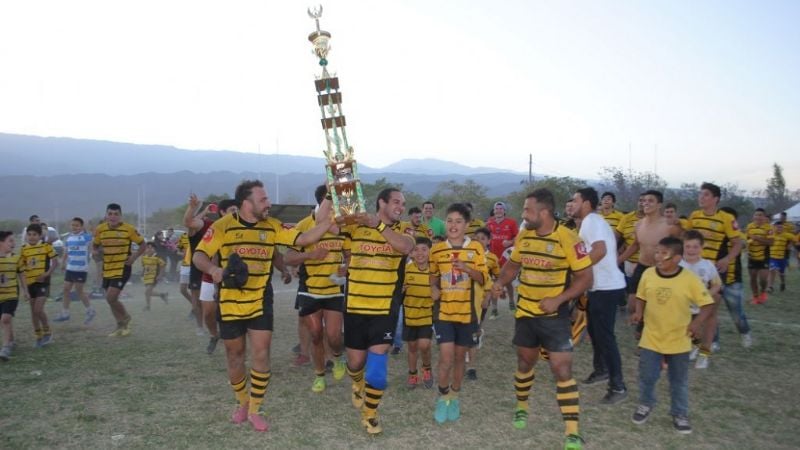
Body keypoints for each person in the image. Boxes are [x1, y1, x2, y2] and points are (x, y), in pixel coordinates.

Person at [193, 180, 334, 433]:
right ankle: (242, 402)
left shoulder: (272, 226)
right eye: (263, 199)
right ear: (246, 203)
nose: (268, 203)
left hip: (260, 301)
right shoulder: (222, 226)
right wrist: (213, 269)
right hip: (230, 302)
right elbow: (199, 255)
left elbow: (304, 238)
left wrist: (330, 221)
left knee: (261, 353)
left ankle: (256, 408)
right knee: (235, 356)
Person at [492, 189, 592, 450]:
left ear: (544, 212)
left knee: (562, 369)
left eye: (527, 209)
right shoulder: (524, 235)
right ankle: (522, 407)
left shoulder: (568, 238)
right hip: (525, 313)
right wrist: (499, 282)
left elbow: (586, 278)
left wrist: (559, 299)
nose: (523, 214)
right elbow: (512, 266)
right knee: (525, 363)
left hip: (554, 317)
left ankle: (572, 432)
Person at [341, 187, 415, 435]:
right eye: (396, 202)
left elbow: (405, 247)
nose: (401, 207)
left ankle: (370, 414)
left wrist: (379, 226)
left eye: (402, 203)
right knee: (355, 363)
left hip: (385, 308)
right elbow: (329, 225)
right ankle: (357, 383)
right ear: (381, 202)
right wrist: (336, 195)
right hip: (355, 306)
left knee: (377, 367)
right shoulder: (356, 226)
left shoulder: (404, 229)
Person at [629, 236, 714, 434]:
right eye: (657, 252)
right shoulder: (648, 274)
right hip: (651, 337)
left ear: (676, 258)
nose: (658, 257)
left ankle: (679, 413)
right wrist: (638, 312)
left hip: (679, 339)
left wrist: (696, 323)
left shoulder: (689, 279)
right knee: (647, 375)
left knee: (678, 380)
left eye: (664, 253)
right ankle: (645, 404)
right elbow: (641, 296)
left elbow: (707, 304)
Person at [283, 185, 347, 393]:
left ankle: (337, 357)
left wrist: (346, 267)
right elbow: (288, 257)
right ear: (324, 201)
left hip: (334, 289)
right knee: (316, 334)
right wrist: (309, 255)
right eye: (335, 201)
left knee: (334, 336)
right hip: (309, 289)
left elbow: (350, 254)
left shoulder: (342, 225)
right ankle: (319, 375)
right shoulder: (304, 225)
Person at [430, 203, 488, 424]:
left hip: (467, 314)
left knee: (459, 358)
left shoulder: (476, 248)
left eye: (458, 221)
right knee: (445, 358)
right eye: (449, 221)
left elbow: (483, 278)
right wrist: (433, 287)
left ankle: (454, 396)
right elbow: (433, 276)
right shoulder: (437, 250)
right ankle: (443, 395)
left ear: (467, 225)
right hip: (444, 313)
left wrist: (467, 269)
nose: (453, 225)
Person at [571, 188, 628, 404]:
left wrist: (578, 269)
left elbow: (600, 250)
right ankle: (602, 369)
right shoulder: (591, 221)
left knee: (605, 337)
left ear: (586, 203)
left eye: (575, 200)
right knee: (595, 332)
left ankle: (618, 386)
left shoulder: (591, 221)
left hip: (607, 287)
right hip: (599, 287)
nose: (572, 204)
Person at [688, 183, 750, 348]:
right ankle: (696, 342)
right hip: (694, 270)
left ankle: (711, 342)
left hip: (714, 271)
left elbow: (738, 243)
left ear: (716, 199)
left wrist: (727, 259)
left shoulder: (726, 218)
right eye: (700, 194)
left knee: (710, 309)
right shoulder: (694, 216)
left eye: (706, 194)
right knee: (693, 309)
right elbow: (686, 238)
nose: (701, 197)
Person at [92, 203, 146, 337]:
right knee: (110, 300)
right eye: (110, 214)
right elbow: (95, 246)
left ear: (120, 216)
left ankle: (126, 317)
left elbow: (143, 245)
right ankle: (120, 326)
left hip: (123, 268)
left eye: (116, 214)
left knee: (111, 297)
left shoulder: (129, 229)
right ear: (106, 215)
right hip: (107, 268)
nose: (113, 217)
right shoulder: (100, 229)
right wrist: (95, 252)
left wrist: (133, 257)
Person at [197, 199, 238, 354]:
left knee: (234, 314)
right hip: (211, 276)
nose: (236, 213)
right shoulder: (214, 228)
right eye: (233, 210)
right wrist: (216, 285)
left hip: (233, 278)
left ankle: (236, 342)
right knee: (208, 314)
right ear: (222, 212)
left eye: (238, 210)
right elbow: (213, 256)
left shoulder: (243, 228)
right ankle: (214, 335)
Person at [680, 230, 722, 369]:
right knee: (690, 331)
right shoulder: (677, 264)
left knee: (706, 327)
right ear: (682, 246)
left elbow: (717, 284)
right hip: (682, 306)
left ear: (702, 247)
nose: (691, 250)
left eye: (695, 246)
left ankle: (704, 354)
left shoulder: (707, 265)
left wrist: (706, 295)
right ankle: (695, 345)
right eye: (688, 246)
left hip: (702, 305)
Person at [402, 236, 434, 389]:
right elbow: (398, 292)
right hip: (410, 316)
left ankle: (427, 369)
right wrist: (401, 290)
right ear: (411, 253)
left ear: (430, 252)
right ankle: (412, 374)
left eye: (424, 249)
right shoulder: (406, 270)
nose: (420, 253)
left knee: (424, 346)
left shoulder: (434, 272)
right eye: (416, 250)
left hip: (427, 315)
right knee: (412, 347)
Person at [20, 224, 59, 347]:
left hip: (43, 283)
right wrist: (25, 290)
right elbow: (21, 270)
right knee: (33, 312)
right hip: (30, 283)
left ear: (40, 235)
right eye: (29, 234)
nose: (31, 237)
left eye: (34, 234)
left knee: (38, 309)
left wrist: (46, 274)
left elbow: (55, 262)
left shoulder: (46, 246)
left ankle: (47, 332)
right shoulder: (23, 249)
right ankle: (38, 336)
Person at [183, 195, 217, 336]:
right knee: (196, 301)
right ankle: (199, 327)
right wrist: (200, 210)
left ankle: (215, 327)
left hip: (212, 268)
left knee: (214, 301)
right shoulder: (194, 233)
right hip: (197, 268)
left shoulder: (215, 230)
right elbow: (190, 222)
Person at [55, 217, 96, 324]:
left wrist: (91, 227)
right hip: (70, 268)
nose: (74, 227)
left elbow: (94, 237)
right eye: (73, 225)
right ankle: (65, 313)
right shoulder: (68, 238)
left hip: (81, 269)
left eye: (77, 225)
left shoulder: (86, 237)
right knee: (66, 289)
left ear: (82, 227)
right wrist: (63, 263)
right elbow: (66, 251)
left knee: (79, 291)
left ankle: (90, 310)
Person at [487, 201, 518, 310]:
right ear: (494, 210)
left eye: (501, 209)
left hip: (506, 258)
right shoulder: (489, 222)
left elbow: (518, 237)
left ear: (504, 211)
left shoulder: (511, 222)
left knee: (508, 281)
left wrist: (510, 242)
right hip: (493, 258)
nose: (498, 211)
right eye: (496, 209)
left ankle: (511, 302)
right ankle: (494, 308)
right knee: (494, 282)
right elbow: (486, 237)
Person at [0, 231, 23, 360]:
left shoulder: (16, 258)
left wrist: (26, 291)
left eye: (14, 240)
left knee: (5, 319)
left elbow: (21, 275)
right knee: (3, 320)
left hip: (12, 293)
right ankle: (11, 340)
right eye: (10, 240)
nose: (13, 243)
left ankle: (5, 348)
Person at [745, 208, 773, 303]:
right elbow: (746, 240)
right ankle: (755, 297)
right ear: (753, 216)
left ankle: (763, 292)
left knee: (763, 279)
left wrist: (757, 238)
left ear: (764, 217)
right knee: (753, 278)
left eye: (760, 215)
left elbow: (771, 242)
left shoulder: (769, 228)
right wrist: (746, 249)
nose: (758, 217)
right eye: (756, 215)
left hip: (764, 256)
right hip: (752, 256)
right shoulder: (749, 227)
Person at [475, 227, 501, 320]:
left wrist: (488, 297)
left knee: (479, 320)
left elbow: (497, 279)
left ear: (489, 241)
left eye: (482, 238)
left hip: (484, 295)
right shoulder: (467, 255)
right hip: (468, 294)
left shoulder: (492, 258)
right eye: (477, 238)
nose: (479, 241)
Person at [768, 221, 794, 293]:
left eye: (781, 227)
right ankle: (770, 287)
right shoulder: (771, 235)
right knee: (772, 270)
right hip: (772, 257)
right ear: (774, 227)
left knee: (781, 273)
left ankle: (782, 282)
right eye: (778, 227)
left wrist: (790, 244)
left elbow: (794, 238)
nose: (779, 229)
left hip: (782, 258)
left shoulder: (786, 235)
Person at [141, 242, 168, 311]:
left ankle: (148, 306)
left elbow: (163, 265)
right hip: (146, 277)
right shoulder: (144, 257)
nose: (149, 249)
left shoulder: (157, 257)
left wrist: (160, 275)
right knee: (149, 292)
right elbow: (144, 267)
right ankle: (162, 295)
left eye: (151, 248)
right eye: (147, 248)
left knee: (147, 291)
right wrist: (142, 275)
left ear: (154, 249)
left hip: (154, 277)